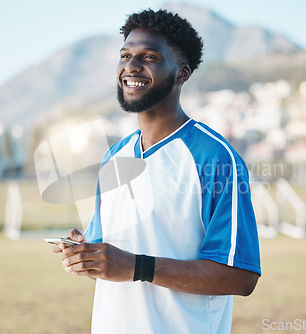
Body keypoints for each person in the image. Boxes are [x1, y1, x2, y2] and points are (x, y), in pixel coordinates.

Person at [52, 8, 261, 334]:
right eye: (125, 55)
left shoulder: (215, 157)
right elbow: (111, 260)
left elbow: (241, 276)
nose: (131, 66)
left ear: (181, 74)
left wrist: (136, 266)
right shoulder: (114, 157)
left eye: (148, 57)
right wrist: (85, 253)